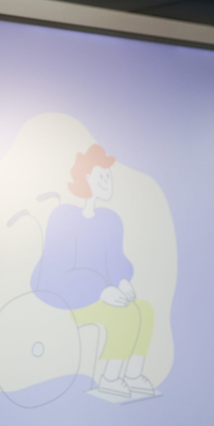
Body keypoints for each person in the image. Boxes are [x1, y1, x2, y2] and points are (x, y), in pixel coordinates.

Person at [30, 143, 155, 397]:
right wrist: (100, 291)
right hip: (71, 297)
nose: (108, 181)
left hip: (104, 296)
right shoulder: (63, 216)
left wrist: (123, 281)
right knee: (125, 316)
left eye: (109, 176)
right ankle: (110, 378)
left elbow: (117, 262)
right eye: (102, 176)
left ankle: (133, 374)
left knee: (144, 309)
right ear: (87, 178)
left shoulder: (111, 219)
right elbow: (57, 271)